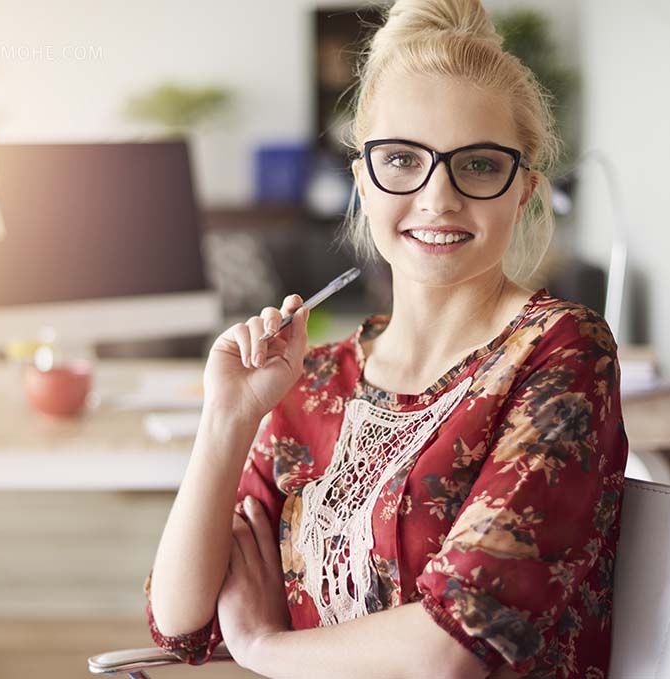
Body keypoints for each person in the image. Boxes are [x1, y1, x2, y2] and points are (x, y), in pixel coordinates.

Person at [145, 1, 629, 677]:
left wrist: (264, 647)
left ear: (523, 191)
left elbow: (453, 648)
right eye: (402, 159)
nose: (437, 197)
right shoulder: (309, 380)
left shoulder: (561, 351)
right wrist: (226, 416)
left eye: (480, 165)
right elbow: (179, 618)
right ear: (364, 184)